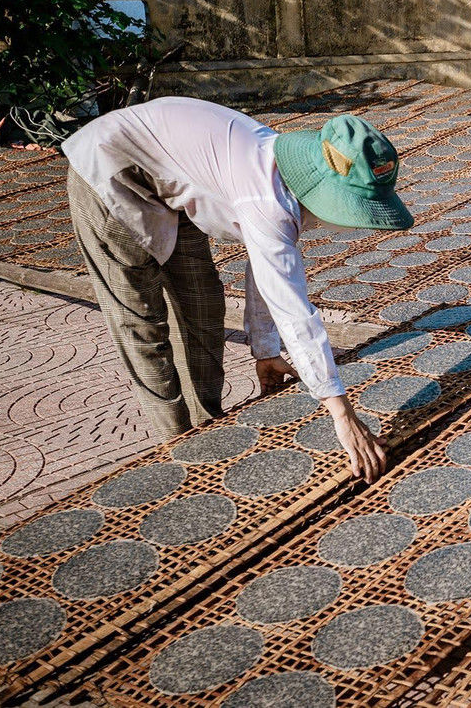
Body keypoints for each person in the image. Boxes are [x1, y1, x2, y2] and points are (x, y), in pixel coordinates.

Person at [61, 97, 411, 483]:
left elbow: (267, 266)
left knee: (203, 307)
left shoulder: (282, 177)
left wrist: (265, 351)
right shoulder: (264, 197)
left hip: (168, 171)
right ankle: (180, 455)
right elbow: (293, 309)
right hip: (111, 170)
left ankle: (206, 427)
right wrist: (341, 413)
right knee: (143, 325)